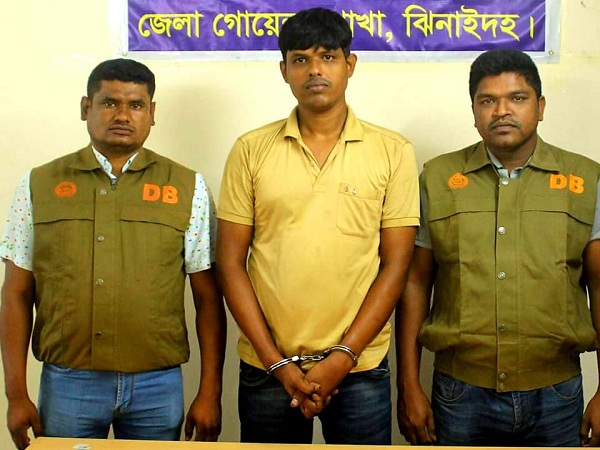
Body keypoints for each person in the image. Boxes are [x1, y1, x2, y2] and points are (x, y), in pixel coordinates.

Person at [217, 7, 419, 445]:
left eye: (327, 56)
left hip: (360, 367)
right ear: (284, 70)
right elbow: (230, 263)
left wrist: (343, 357)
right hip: (267, 367)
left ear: (350, 64)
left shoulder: (393, 151)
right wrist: (276, 363)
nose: (314, 70)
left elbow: (396, 266)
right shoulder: (250, 150)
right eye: (301, 59)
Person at [0, 58, 226, 450]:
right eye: (109, 103)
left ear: (152, 113)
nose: (123, 115)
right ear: (86, 107)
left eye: (136, 105)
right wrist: (16, 394)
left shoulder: (188, 187)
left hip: (157, 385)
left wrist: (210, 392)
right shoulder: (38, 184)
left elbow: (208, 298)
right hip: (68, 382)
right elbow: (16, 293)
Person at [396, 48, 600, 446]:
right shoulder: (438, 179)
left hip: (556, 394)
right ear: (474, 111)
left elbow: (599, 282)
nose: (502, 111)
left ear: (541, 106)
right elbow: (416, 283)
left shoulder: (585, 180)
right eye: (487, 101)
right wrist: (409, 385)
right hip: (460, 393)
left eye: (517, 98)